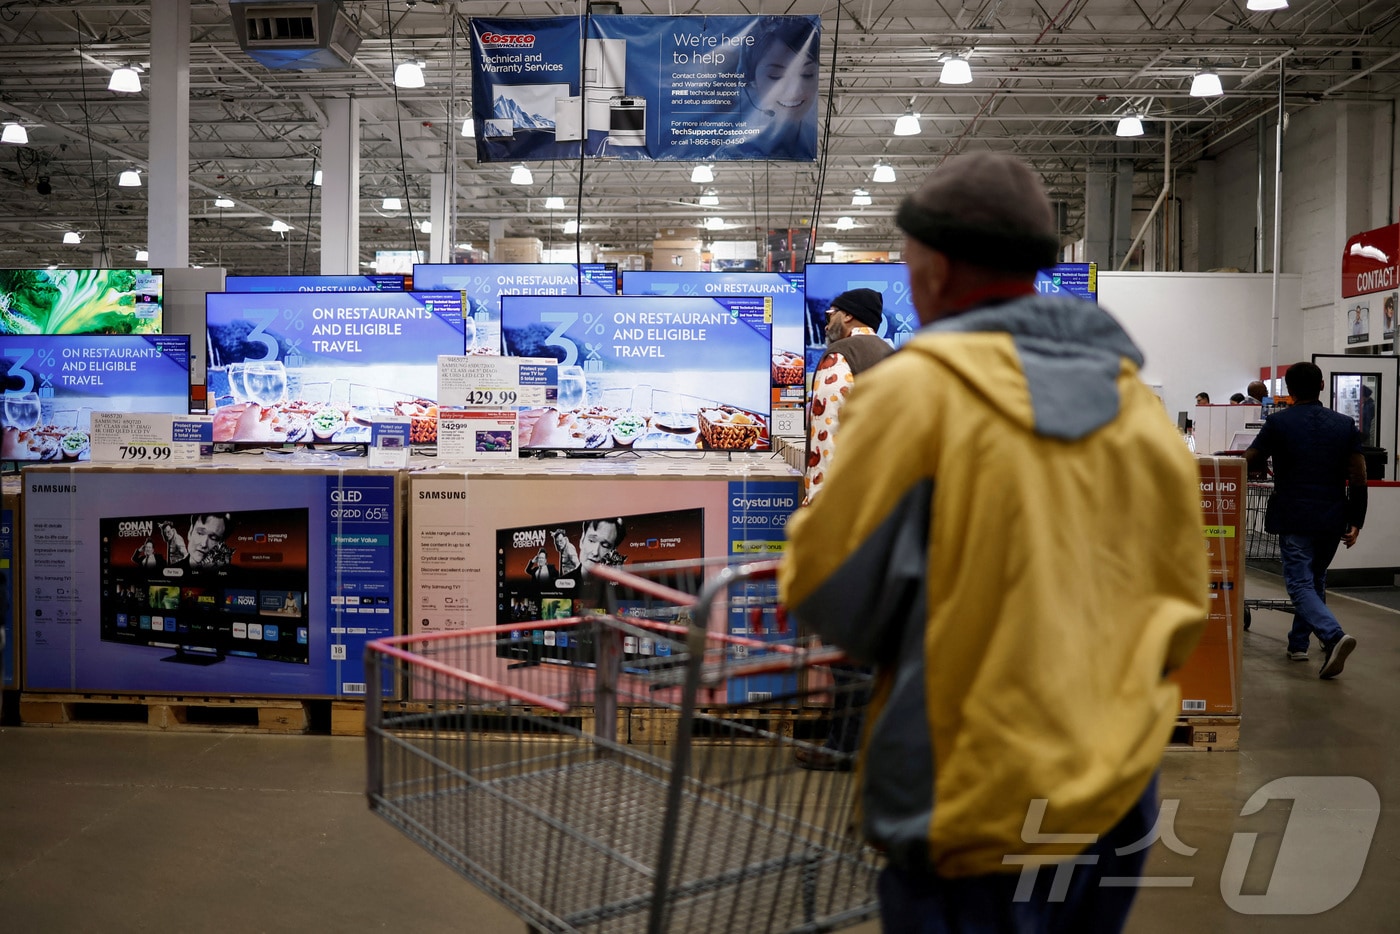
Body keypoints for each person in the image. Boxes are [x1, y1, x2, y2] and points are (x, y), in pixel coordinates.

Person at [779, 152, 1209, 931]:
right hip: (1114, 792)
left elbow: (830, 593)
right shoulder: (1134, 407)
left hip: (975, 796)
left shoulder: (913, 397)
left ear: (936, 266)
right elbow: (1182, 604)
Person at [1244, 361, 1366, 677]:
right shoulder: (1344, 425)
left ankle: (1334, 635)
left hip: (1294, 514)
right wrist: (1357, 520)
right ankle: (1298, 644)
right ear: (1323, 386)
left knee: (1299, 584)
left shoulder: (1279, 423)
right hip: (1331, 516)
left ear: (1288, 390)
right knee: (1315, 579)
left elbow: (1250, 461)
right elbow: (1359, 476)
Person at [804, 287, 895, 504]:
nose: (826, 325)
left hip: (847, 498)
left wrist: (818, 503)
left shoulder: (840, 356)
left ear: (847, 315)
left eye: (830, 315)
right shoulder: (891, 354)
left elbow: (826, 433)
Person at [717, 17, 820, 160]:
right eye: (776, 76)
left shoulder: (816, 140)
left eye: (807, 74)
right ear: (750, 78)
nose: (795, 91)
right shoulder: (730, 145)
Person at [159, 514, 234, 568]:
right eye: (200, 533)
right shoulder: (172, 569)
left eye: (213, 538)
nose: (204, 544)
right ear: (190, 532)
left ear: (222, 543)